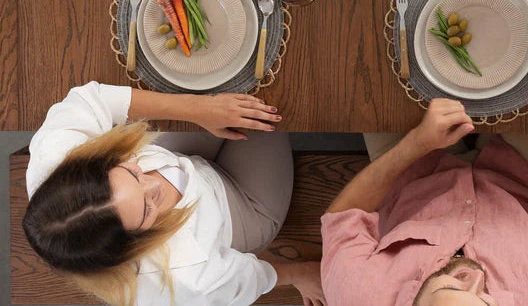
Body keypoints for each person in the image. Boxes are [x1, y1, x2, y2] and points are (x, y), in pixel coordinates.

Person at [22, 83, 325, 306]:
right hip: (244, 207)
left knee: (237, 83)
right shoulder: (180, 282)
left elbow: (92, 99)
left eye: (132, 174)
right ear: (131, 247)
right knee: (270, 103)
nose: (155, 185)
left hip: (177, 155)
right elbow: (246, 279)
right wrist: (299, 274)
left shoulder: (57, 157)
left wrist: (199, 111)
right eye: (146, 209)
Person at [320, 82, 528, 304]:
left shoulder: (356, 295)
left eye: (450, 285)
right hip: (525, 181)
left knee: (375, 77)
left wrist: (416, 143)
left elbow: (343, 218)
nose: (476, 277)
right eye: (488, 300)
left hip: (411, 170)